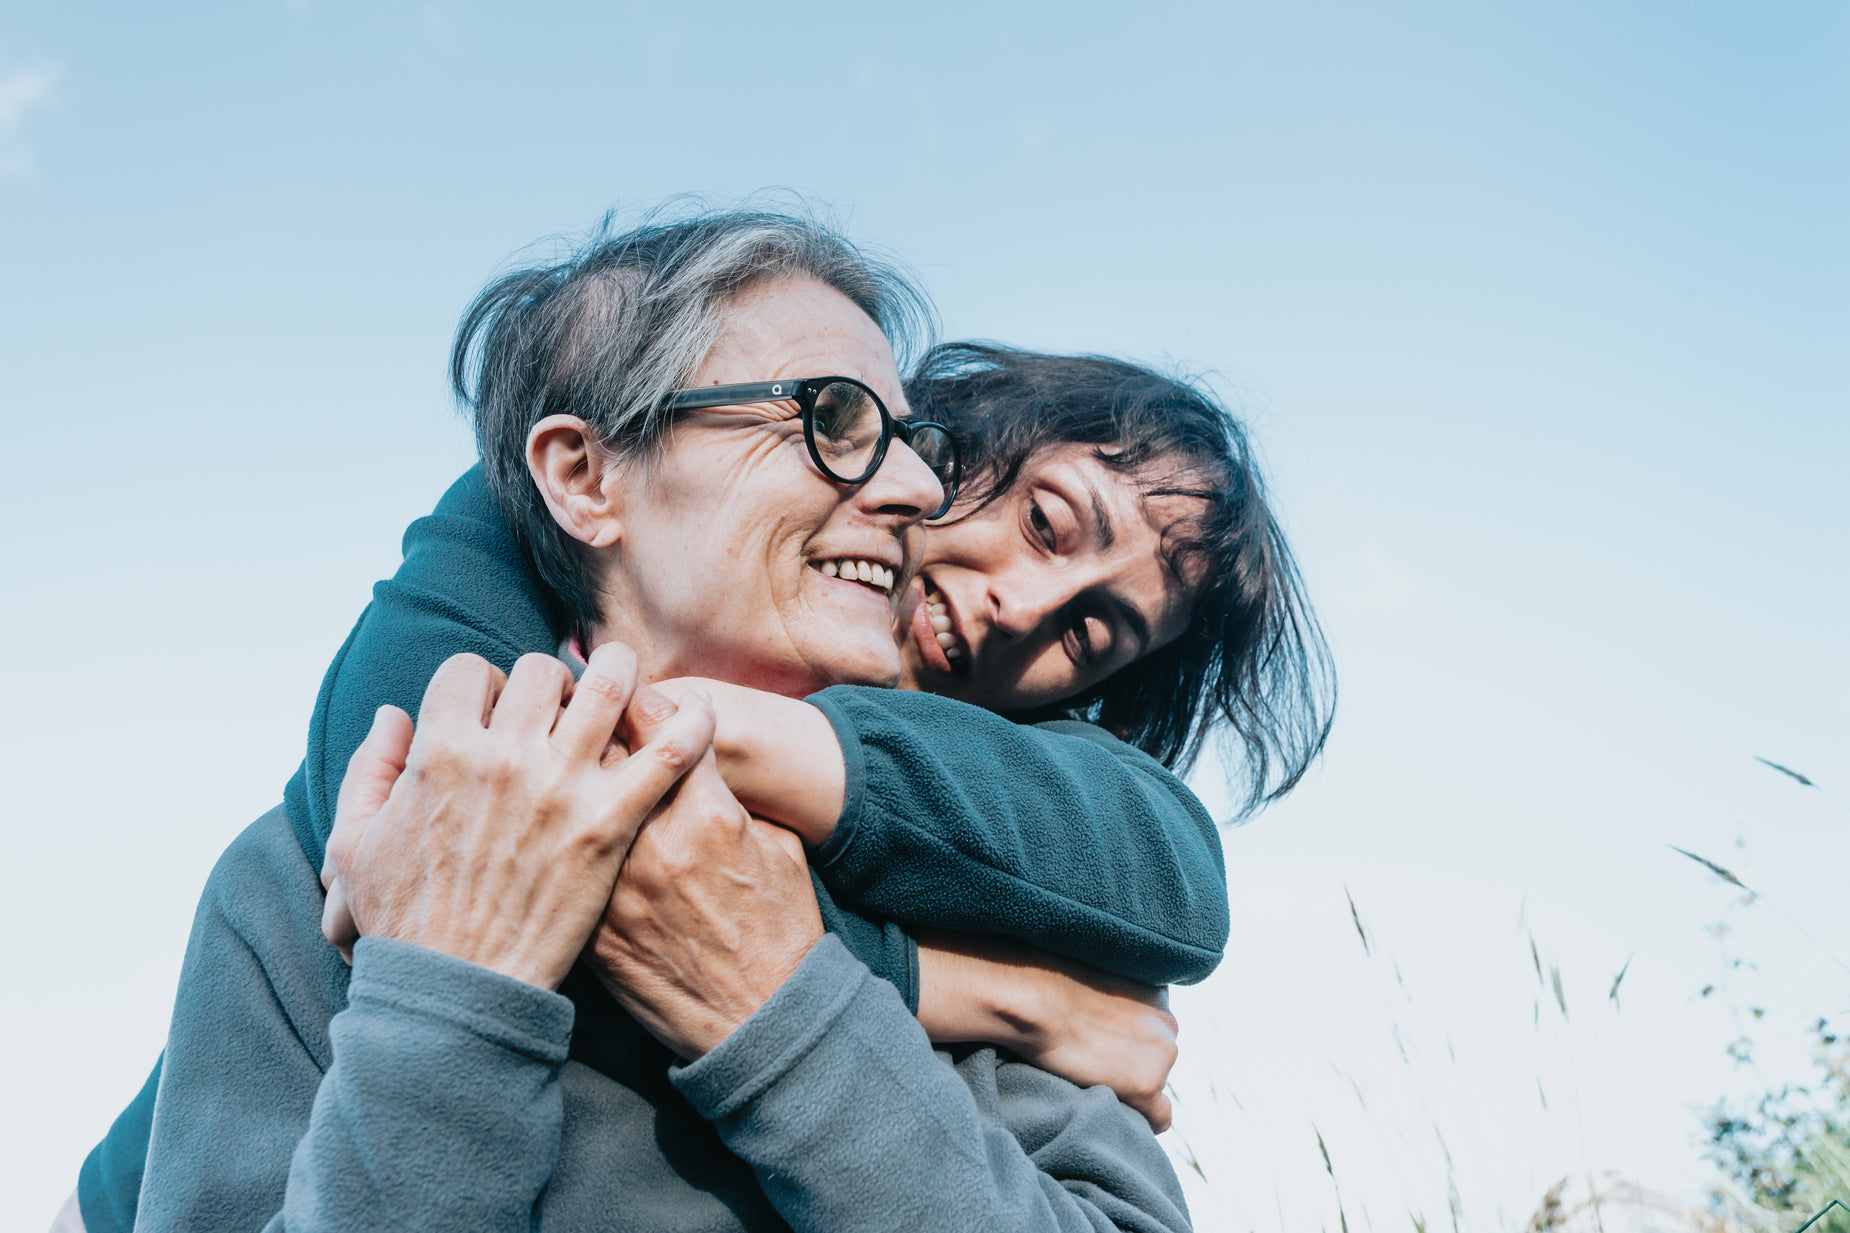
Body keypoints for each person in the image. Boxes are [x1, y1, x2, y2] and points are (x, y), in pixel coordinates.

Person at [71, 206, 1331, 1232]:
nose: (1017, 610)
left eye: (1090, 636)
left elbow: (1169, 865)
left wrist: (783, 991)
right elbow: (436, 745)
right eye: (1043, 521)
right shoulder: (345, 829)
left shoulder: (1025, 884)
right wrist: (936, 989)